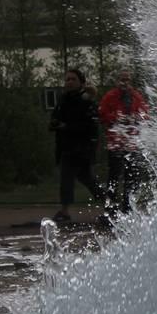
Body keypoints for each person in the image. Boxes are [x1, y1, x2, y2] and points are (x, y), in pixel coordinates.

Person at [50, 68, 104, 223]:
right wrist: (54, 124)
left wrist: (66, 127)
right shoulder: (64, 99)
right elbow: (56, 116)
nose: (69, 82)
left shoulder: (87, 101)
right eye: (67, 79)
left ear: (81, 82)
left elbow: (90, 127)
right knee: (86, 179)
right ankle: (110, 205)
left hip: (82, 147)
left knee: (69, 177)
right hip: (66, 146)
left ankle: (65, 211)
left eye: (73, 79)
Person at [98, 67, 151, 213]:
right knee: (113, 178)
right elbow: (102, 114)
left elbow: (145, 114)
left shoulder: (136, 96)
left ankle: (128, 208)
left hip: (132, 144)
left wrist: (135, 118)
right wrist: (117, 118)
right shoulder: (110, 96)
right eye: (122, 79)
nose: (124, 82)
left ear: (131, 81)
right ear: (117, 81)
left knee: (131, 178)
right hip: (115, 144)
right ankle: (110, 209)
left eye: (127, 79)